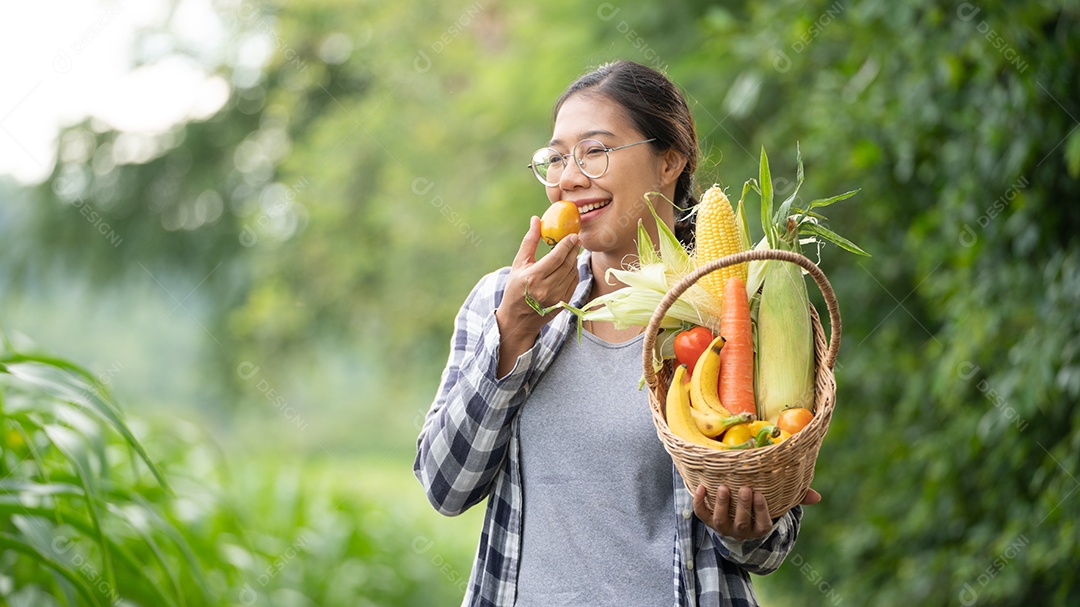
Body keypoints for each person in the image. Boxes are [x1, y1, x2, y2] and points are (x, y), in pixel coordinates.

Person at [414, 60, 819, 606]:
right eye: (556, 157)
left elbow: (767, 549)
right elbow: (445, 487)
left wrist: (746, 527)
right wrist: (511, 334)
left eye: (596, 151)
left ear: (668, 161)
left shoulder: (737, 312)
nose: (570, 177)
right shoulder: (499, 301)